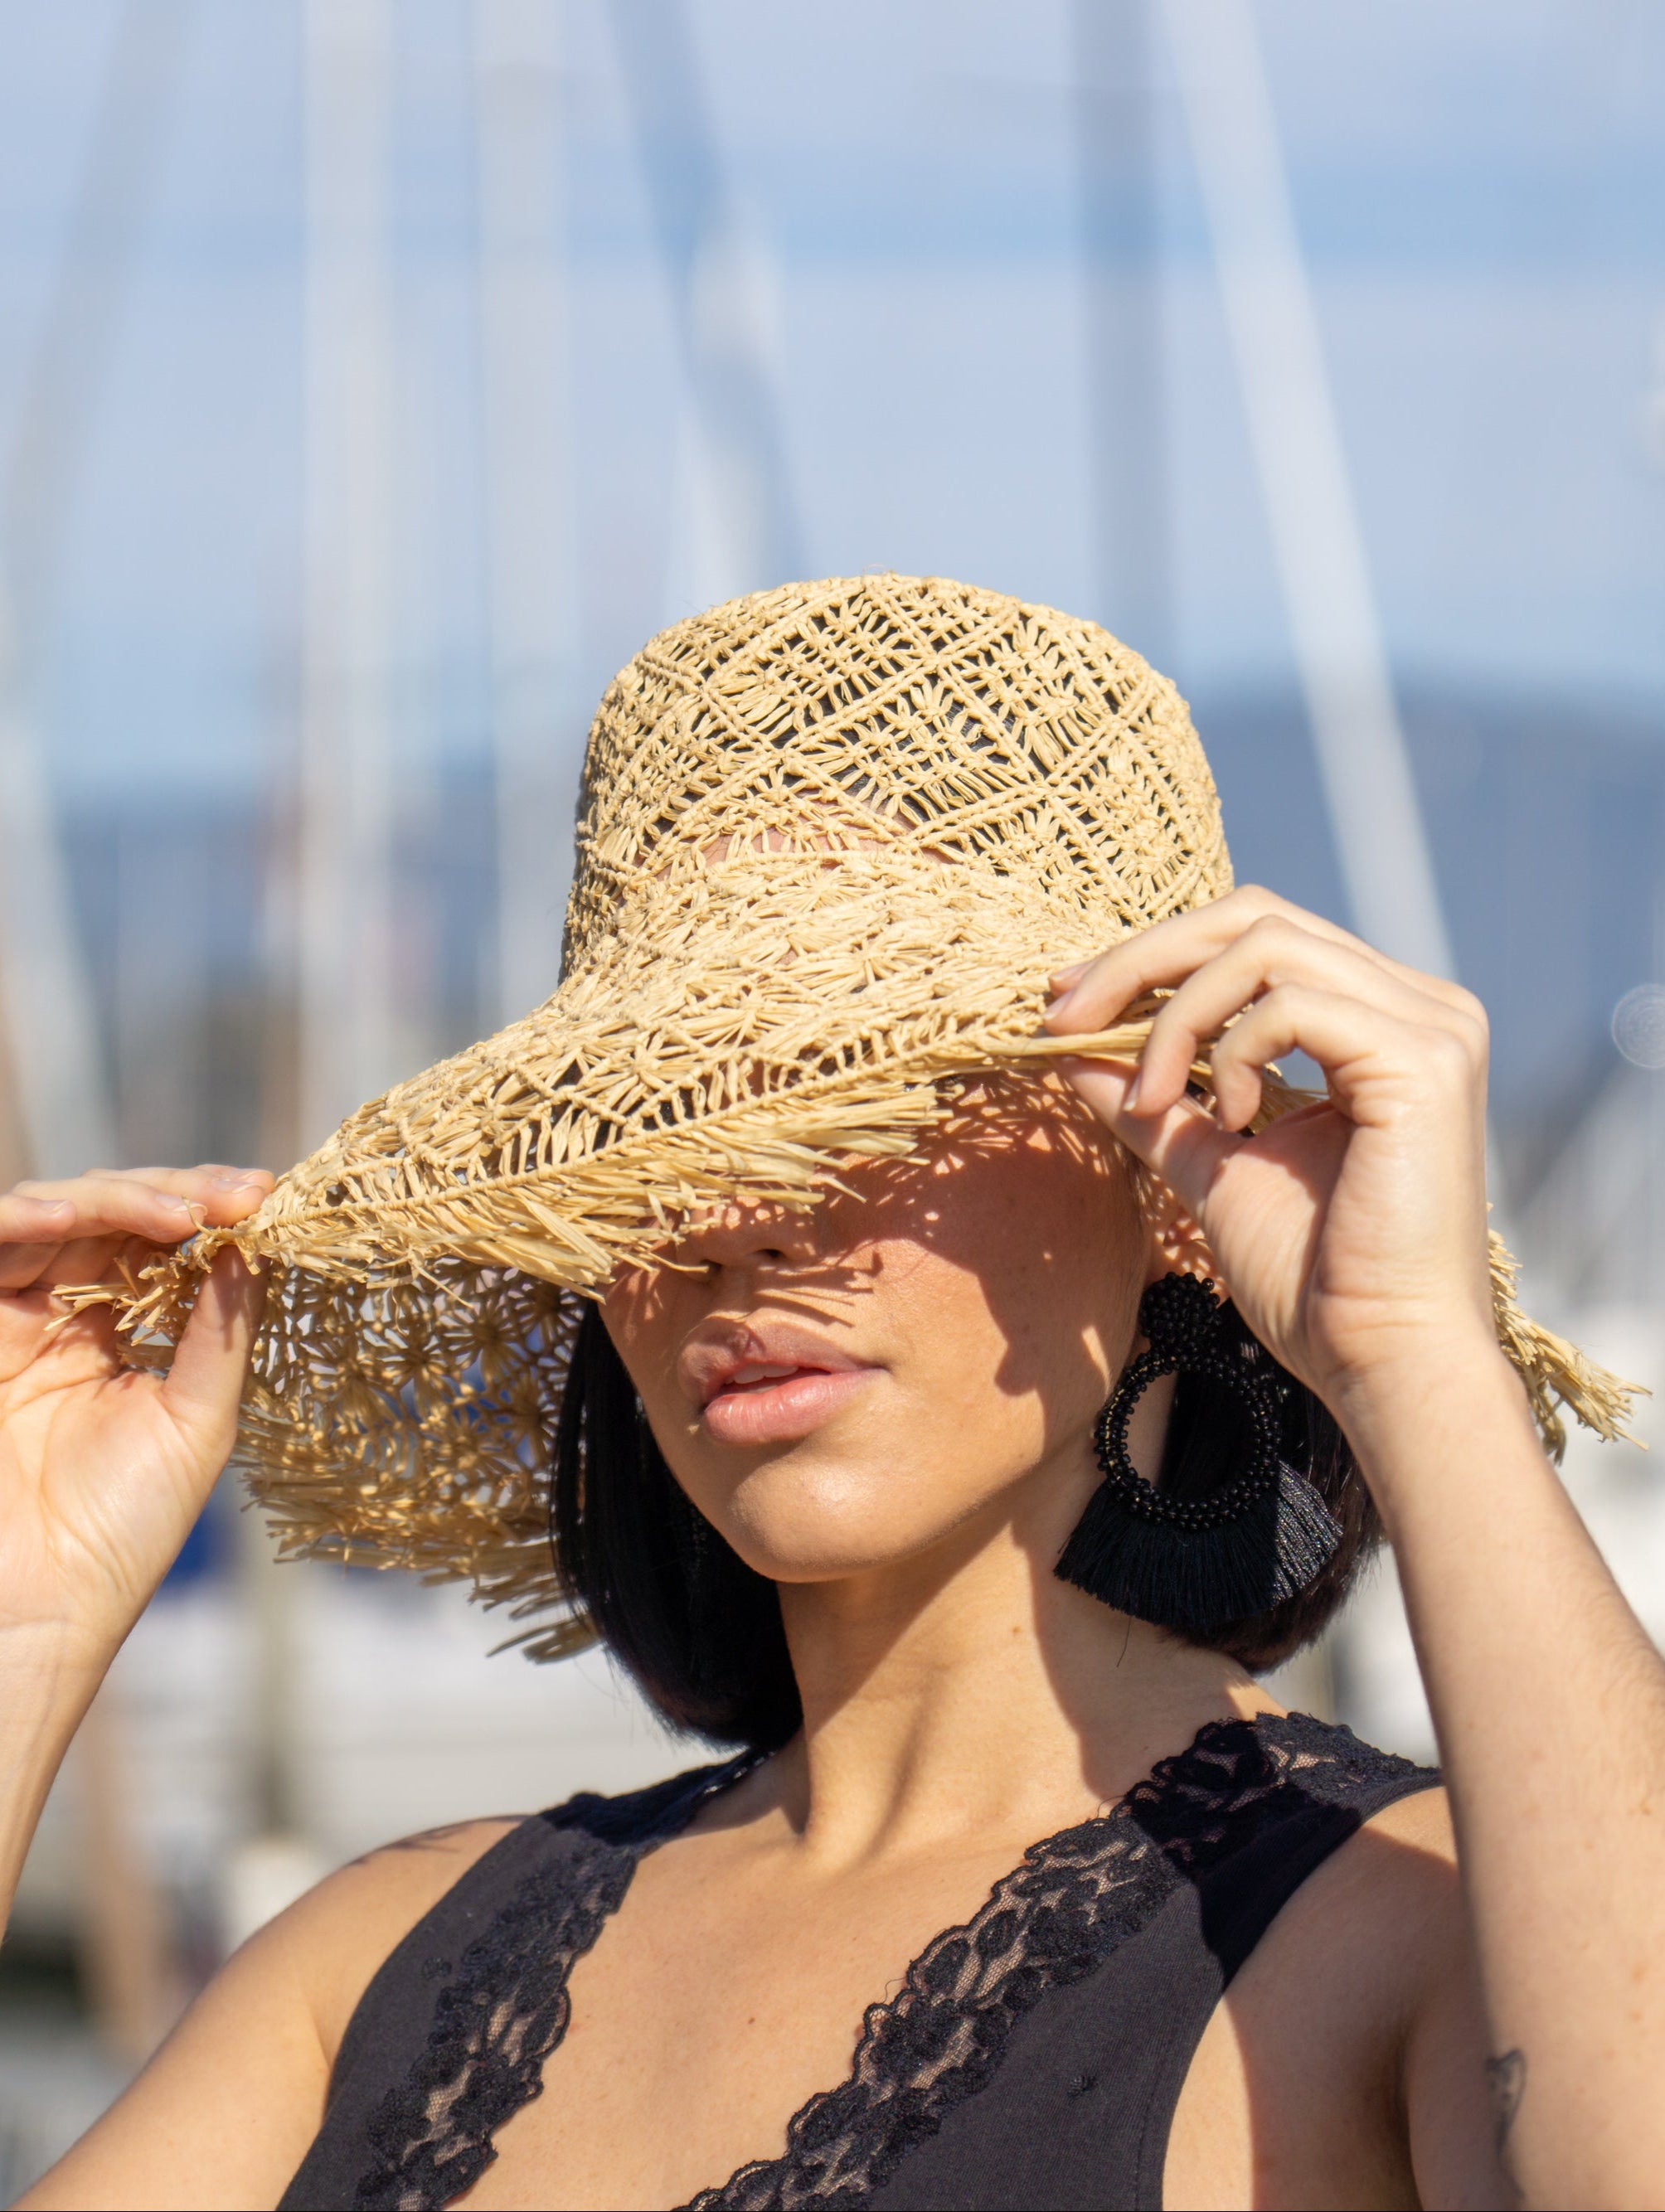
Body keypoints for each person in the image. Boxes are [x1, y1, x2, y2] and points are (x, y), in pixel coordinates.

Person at [3, 575, 1663, 2211]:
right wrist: (29, 1621)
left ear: (1164, 1165)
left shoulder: (1403, 1935)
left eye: (860, 1100)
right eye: (662, 1121)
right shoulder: (369, 1973)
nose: (739, 1219)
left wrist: (1408, 1352)